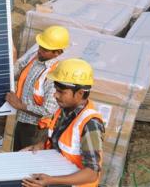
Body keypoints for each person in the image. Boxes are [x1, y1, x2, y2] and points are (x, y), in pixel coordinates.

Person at [22, 59, 105, 187]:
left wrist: (51, 181)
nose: (55, 95)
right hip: (57, 175)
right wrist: (40, 145)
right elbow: (57, 139)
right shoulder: (63, 110)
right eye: (56, 90)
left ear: (80, 93)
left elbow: (91, 173)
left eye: (61, 92)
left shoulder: (90, 123)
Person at [5, 26, 70, 151]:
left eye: (45, 49)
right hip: (23, 120)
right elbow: (17, 72)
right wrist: (11, 58)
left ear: (57, 52)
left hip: (37, 130)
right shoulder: (35, 57)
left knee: (29, 166)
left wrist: (20, 105)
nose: (39, 51)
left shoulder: (55, 74)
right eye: (40, 46)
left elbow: (48, 110)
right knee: (18, 158)